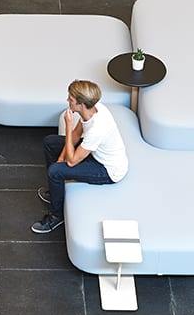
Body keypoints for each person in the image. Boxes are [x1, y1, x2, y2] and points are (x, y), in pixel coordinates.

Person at [31, 79, 129, 233]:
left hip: (107, 170)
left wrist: (68, 126)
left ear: (81, 104)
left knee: (55, 172)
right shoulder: (94, 109)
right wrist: (59, 159)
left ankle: (57, 216)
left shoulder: (98, 129)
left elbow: (71, 162)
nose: (67, 100)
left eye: (70, 99)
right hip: (94, 152)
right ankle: (56, 192)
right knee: (50, 142)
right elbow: (76, 135)